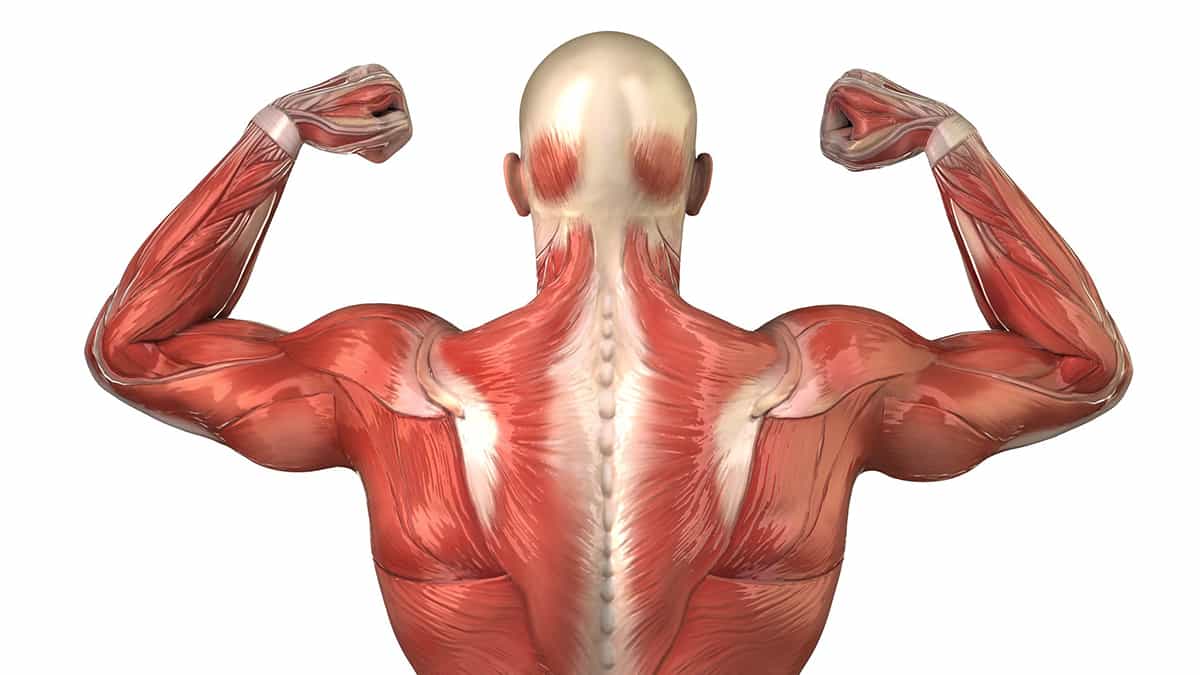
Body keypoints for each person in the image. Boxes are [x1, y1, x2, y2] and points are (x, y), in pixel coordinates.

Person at [86, 31, 1131, 675]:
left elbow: (138, 350)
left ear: (514, 182)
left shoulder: (388, 377)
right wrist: (948, 144)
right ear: (702, 182)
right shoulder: (831, 375)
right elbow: (1080, 367)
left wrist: (276, 136)